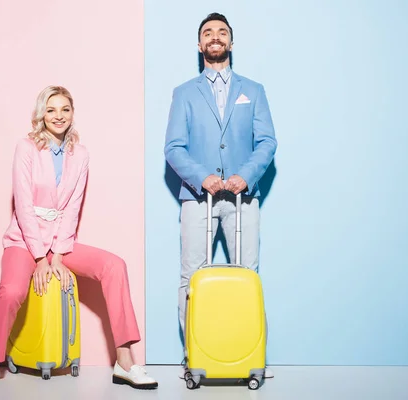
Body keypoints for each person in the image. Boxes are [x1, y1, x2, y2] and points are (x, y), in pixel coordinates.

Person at [0, 86, 157, 390]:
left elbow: (72, 208)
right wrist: (38, 259)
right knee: (11, 291)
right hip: (24, 241)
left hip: (60, 242)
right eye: (51, 109)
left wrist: (56, 255)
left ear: (72, 113)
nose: (58, 116)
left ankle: (125, 362)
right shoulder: (26, 147)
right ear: (41, 114)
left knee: (115, 265)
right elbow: (22, 204)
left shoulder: (80, 154)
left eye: (65, 109)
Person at [164, 13, 277, 379]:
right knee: (192, 277)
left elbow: (267, 142)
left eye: (222, 33)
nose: (215, 38)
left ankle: (246, 354)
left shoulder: (254, 90)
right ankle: (194, 355)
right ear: (199, 46)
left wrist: (246, 175)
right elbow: (174, 147)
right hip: (198, 198)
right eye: (208, 33)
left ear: (231, 42)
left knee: (248, 275)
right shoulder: (184, 93)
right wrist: (203, 178)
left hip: (243, 198)